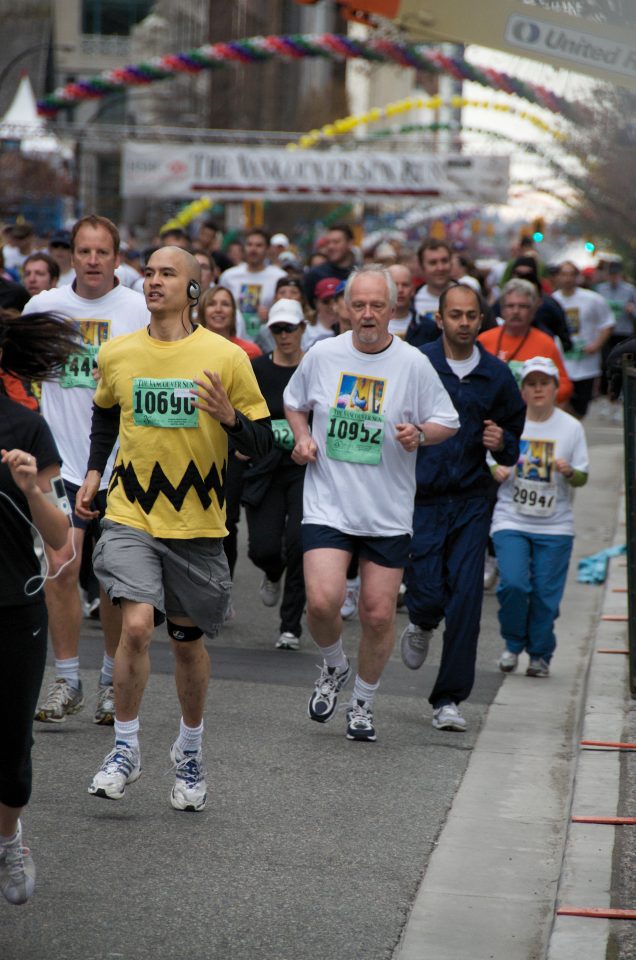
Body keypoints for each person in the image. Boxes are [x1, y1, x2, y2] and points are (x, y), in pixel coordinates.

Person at [78, 246, 271, 809]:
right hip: (130, 513)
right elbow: (106, 414)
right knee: (136, 626)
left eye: (168, 273)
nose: (153, 280)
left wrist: (229, 417)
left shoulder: (226, 357)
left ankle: (188, 750)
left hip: (197, 522)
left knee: (186, 643)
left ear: (194, 290)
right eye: (150, 272)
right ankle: (126, 748)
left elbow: (261, 444)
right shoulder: (118, 353)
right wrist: (94, 472)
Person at [283, 264, 459, 742]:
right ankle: (334, 666)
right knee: (322, 601)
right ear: (344, 307)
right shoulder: (323, 355)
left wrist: (420, 433)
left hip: (387, 510)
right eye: (357, 304)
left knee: (379, 614)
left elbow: (449, 420)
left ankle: (362, 702)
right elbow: (295, 402)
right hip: (329, 501)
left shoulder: (413, 364)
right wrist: (302, 437)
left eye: (376, 305)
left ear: (393, 308)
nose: (365, 314)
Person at [24, 215, 149, 725]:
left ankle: (107, 681)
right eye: (84, 252)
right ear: (70, 256)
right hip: (60, 461)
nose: (93, 261)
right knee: (62, 567)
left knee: (113, 578)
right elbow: (17, 367)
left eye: (103, 252)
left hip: (124, 465)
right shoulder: (45, 307)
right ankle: (68, 678)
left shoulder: (139, 308)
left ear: (118, 258)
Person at [400, 283, 525, 731]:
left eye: (472, 315)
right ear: (439, 319)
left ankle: (448, 699)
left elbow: (512, 440)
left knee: (468, 597)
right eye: (456, 315)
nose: (465, 323)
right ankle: (420, 619)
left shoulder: (496, 375)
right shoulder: (418, 363)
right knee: (429, 591)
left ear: (481, 319)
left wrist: (503, 443)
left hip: (472, 499)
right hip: (420, 497)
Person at [0, 310, 81, 905]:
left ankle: (8, 840)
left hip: (11, 605)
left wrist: (32, 489)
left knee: (10, 748)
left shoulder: (26, 428)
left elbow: (61, 542)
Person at [492, 357, 588, 677]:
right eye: (531, 384)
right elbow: (487, 458)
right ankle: (512, 642)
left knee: (546, 596)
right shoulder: (510, 423)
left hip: (556, 524)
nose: (537, 390)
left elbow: (583, 477)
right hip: (512, 518)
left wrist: (569, 471)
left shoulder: (571, 427)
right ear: (522, 390)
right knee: (514, 585)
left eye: (543, 383)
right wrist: (496, 469)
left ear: (555, 388)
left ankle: (540, 653)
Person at [244, 299, 307, 650]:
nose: (284, 336)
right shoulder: (256, 369)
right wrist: (241, 439)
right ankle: (271, 572)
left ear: (303, 329)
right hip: (264, 469)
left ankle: (290, 626)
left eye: (290, 328)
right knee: (264, 548)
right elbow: (240, 409)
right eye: (278, 329)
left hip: (303, 469)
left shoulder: (314, 367)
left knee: (299, 543)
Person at [198, 284, 262, 596]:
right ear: (202, 310)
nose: (219, 309)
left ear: (234, 313)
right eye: (213, 304)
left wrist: (244, 444)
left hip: (234, 447)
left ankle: (223, 590)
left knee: (227, 522)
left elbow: (255, 405)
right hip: (195, 444)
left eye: (226, 304)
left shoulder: (248, 352)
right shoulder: (188, 345)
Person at [479, 279, 573, 405]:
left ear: (533, 310)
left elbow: (565, 385)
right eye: (510, 306)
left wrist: (539, 396)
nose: (516, 311)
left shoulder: (546, 343)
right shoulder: (483, 340)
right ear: (502, 310)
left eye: (522, 306)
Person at [552, 261, 614, 417]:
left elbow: (608, 323)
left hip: (586, 365)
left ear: (577, 277)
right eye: (563, 274)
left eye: (571, 274)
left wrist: (596, 345)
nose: (567, 279)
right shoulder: (552, 301)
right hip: (560, 363)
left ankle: (574, 426)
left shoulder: (593, 299)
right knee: (560, 401)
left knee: (581, 408)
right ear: (558, 277)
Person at [219, 229, 286, 341]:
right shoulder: (229, 276)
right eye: (249, 245)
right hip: (234, 339)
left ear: (267, 249)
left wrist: (270, 315)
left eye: (259, 245)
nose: (253, 249)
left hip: (268, 340)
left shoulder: (279, 277)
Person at [407, 239, 451, 347]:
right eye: (433, 263)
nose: (440, 268)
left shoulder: (471, 298)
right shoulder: (410, 302)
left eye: (444, 261)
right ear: (422, 267)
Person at [303, 224, 356, 308]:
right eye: (328, 243)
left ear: (350, 243)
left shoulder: (360, 274)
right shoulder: (314, 275)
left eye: (336, 242)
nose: (331, 247)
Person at [301, 276, 338, 351]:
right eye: (326, 301)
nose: (332, 306)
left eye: (336, 301)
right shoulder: (305, 330)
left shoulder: (351, 328)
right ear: (315, 302)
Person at [387, 263, 416, 338]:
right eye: (394, 285)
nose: (400, 290)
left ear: (413, 289)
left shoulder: (428, 327)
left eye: (405, 285)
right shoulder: (374, 326)